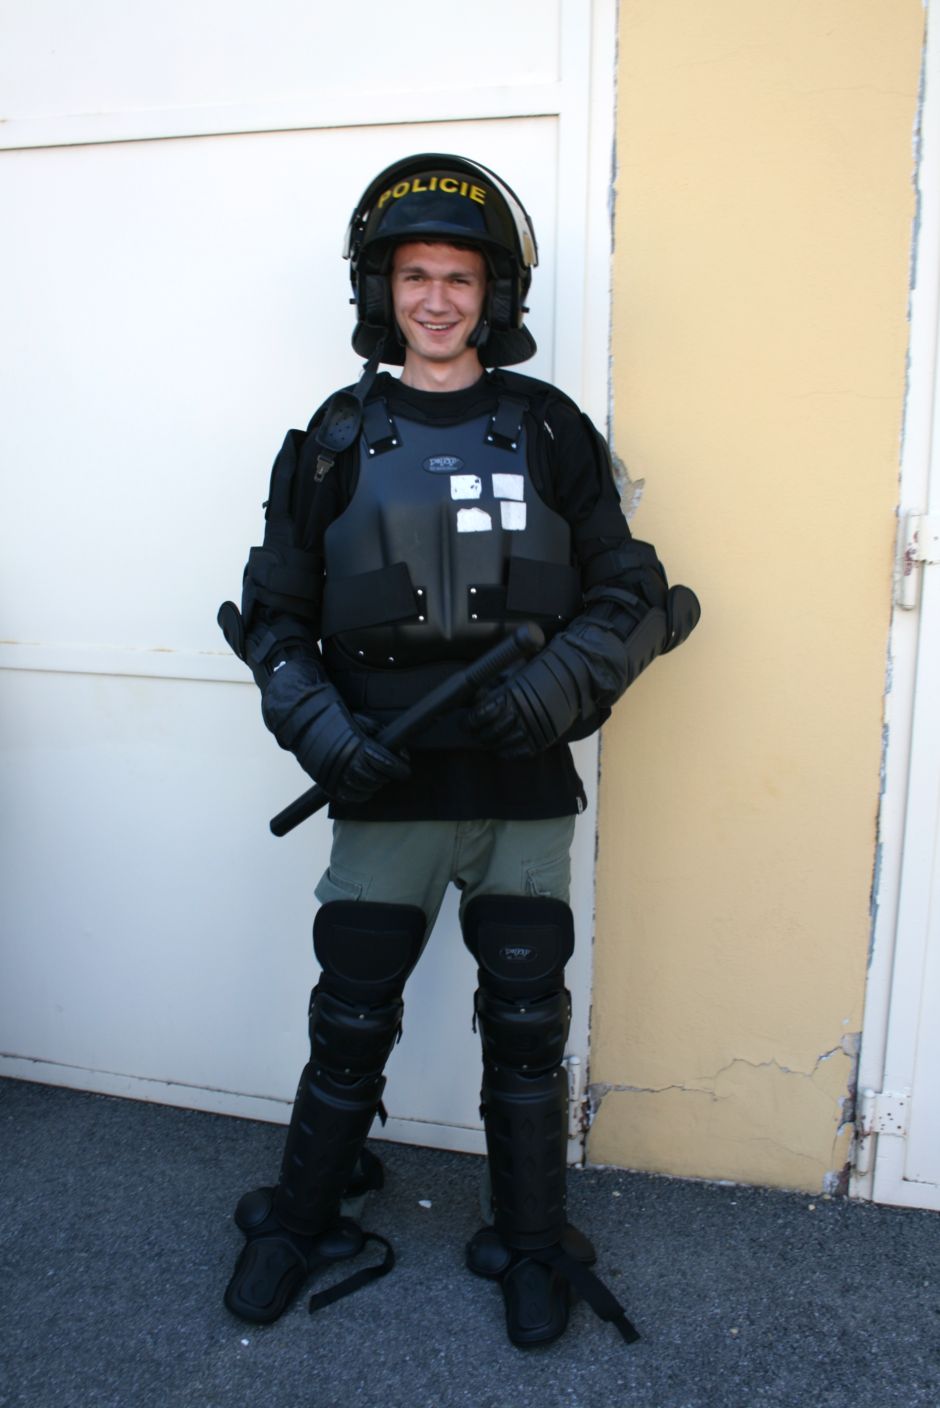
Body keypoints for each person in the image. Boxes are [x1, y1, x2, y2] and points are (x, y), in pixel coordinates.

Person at [218, 153, 699, 1348]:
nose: (436, 299)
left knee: (528, 1019)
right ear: (382, 291)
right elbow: (272, 621)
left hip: (520, 790)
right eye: (415, 276)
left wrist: (552, 691)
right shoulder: (329, 442)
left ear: (494, 295)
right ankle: (303, 1215)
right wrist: (322, 730)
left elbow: (633, 595)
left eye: (460, 278)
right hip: (384, 792)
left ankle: (530, 1237)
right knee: (351, 1015)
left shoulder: (549, 430)